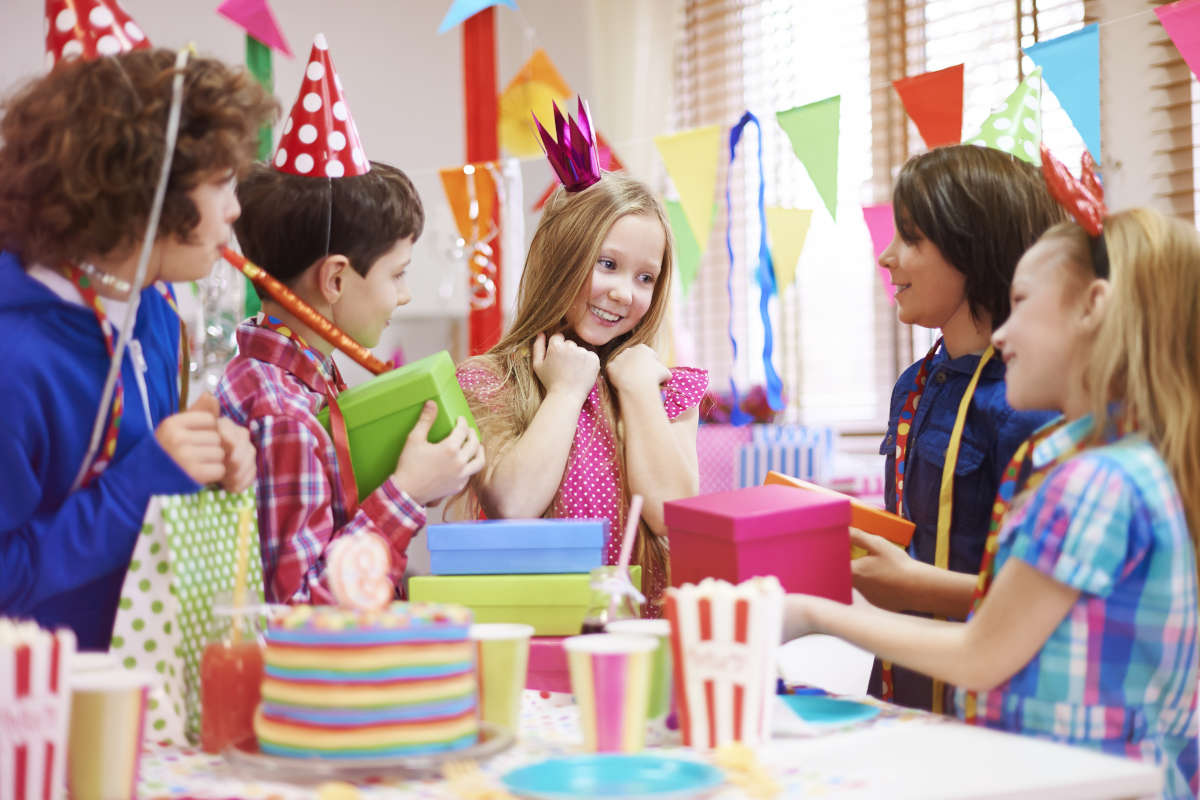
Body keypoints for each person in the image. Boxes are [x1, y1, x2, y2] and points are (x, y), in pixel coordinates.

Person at [785, 207, 1200, 798]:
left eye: (1022, 303)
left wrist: (814, 614)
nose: (1002, 333)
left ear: (1093, 306)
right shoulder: (1134, 463)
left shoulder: (1093, 482)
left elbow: (982, 655)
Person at [0, 49, 275, 649]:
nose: (235, 208)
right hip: (42, 696)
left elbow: (144, 482)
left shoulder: (153, 303)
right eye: (220, 183)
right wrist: (142, 486)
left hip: (145, 681)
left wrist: (204, 465)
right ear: (146, 194)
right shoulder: (14, 361)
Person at [218, 160, 484, 604]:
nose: (405, 294)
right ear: (335, 278)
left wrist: (419, 478)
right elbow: (301, 606)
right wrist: (405, 493)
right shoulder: (285, 414)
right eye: (397, 274)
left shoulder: (281, 379)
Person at [860, 144, 1064, 708]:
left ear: (972, 249)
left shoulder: (1031, 402)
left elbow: (1044, 600)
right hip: (904, 683)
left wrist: (912, 584)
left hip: (992, 697)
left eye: (910, 238)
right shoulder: (915, 383)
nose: (886, 257)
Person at [453, 167, 708, 619]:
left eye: (645, 278)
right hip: (536, 632)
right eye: (607, 264)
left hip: (640, 634)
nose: (624, 293)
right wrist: (566, 392)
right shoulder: (490, 380)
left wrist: (639, 390)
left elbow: (671, 513)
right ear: (560, 258)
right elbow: (513, 504)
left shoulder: (665, 388)